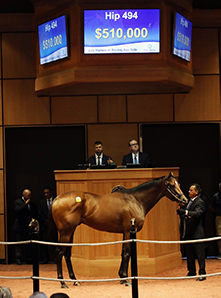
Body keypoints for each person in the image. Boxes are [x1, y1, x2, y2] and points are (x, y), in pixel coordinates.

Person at [177, 183, 206, 281]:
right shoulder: (189, 201)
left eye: (191, 190)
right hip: (189, 232)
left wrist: (185, 212)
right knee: (189, 253)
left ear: (196, 192)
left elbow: (197, 213)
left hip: (197, 232)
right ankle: (191, 271)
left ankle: (202, 273)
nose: (189, 192)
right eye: (189, 190)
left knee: (199, 254)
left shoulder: (200, 202)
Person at [12, 189, 38, 265]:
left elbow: (34, 213)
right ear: (24, 195)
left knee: (28, 244)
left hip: (28, 227)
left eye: (30, 195)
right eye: (28, 195)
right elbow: (17, 210)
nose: (30, 197)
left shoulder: (32, 203)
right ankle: (18, 259)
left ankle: (28, 259)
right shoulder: (17, 202)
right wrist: (25, 204)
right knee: (19, 244)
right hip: (19, 226)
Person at [38, 188, 54, 264]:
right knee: (44, 241)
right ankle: (45, 258)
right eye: (45, 193)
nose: (46, 194)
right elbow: (40, 214)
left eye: (47, 193)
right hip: (45, 225)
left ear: (51, 192)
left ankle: (55, 258)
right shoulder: (41, 202)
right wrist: (46, 221)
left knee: (55, 241)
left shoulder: (55, 200)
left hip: (55, 225)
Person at [209, 183, 221, 259]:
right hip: (219, 217)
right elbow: (210, 206)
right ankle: (220, 253)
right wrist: (216, 211)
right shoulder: (216, 196)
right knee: (219, 236)